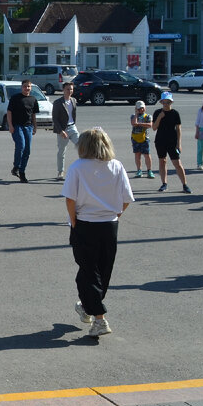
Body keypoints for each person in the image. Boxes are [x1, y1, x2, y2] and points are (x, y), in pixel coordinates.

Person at [63, 128, 134, 337]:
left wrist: (73, 221)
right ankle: (88, 306)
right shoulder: (116, 166)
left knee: (88, 272)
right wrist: (115, 215)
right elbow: (126, 199)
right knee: (102, 271)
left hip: (85, 223)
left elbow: (70, 198)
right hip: (109, 224)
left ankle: (99, 317)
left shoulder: (78, 167)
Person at [150, 93, 190, 193]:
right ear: (161, 102)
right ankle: (164, 183)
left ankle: (185, 184)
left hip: (172, 142)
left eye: (168, 102)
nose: (166, 104)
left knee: (177, 163)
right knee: (162, 161)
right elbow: (154, 128)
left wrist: (179, 143)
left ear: (171, 102)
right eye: (164, 102)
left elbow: (178, 129)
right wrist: (159, 117)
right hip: (160, 141)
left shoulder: (175, 113)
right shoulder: (157, 112)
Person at [6, 80, 38, 182]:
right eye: (25, 86)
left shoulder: (33, 99)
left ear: (31, 88)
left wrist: (35, 126)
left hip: (28, 127)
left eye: (28, 86)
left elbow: (33, 115)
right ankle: (16, 166)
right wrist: (10, 125)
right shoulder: (15, 98)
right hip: (17, 126)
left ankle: (22, 172)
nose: (27, 88)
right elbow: (9, 112)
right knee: (21, 146)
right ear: (21, 87)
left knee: (27, 150)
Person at [52, 82, 79, 180]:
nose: (70, 91)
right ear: (63, 90)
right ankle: (60, 172)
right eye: (68, 89)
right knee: (62, 151)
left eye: (71, 89)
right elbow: (55, 119)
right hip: (63, 130)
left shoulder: (74, 100)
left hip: (72, 127)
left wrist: (73, 125)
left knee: (81, 146)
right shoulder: (58, 102)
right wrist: (61, 131)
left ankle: (83, 169)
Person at [130, 101, 154, 178]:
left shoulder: (148, 116)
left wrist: (139, 124)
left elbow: (150, 125)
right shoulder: (133, 116)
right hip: (135, 138)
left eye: (143, 107)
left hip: (144, 138)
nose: (142, 109)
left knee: (147, 155)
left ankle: (149, 170)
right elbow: (133, 123)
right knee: (137, 154)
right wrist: (136, 114)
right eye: (139, 108)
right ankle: (139, 170)